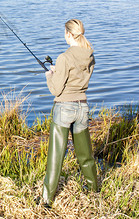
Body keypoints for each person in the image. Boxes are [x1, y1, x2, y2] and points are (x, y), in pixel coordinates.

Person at [40, 19, 98, 208]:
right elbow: (78, 77)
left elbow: (56, 90)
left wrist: (50, 75)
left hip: (64, 108)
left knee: (55, 157)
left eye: (64, 33)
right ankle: (94, 191)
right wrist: (60, 72)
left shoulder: (64, 57)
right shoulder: (90, 55)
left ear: (68, 34)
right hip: (82, 107)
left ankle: (46, 200)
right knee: (85, 155)